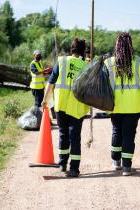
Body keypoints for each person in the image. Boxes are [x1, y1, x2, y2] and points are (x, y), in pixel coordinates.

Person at [104, 32, 140, 176]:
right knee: (128, 134)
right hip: (134, 106)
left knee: (117, 131)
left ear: (117, 45)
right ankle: (127, 167)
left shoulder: (109, 63)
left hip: (114, 105)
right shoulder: (139, 62)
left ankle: (116, 162)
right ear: (130, 45)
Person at [41, 38, 89, 177]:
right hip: (77, 106)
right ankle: (74, 168)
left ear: (72, 49)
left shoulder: (61, 61)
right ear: (82, 50)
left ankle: (62, 164)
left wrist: (45, 100)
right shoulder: (85, 65)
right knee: (75, 137)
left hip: (61, 105)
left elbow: (50, 83)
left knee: (63, 134)